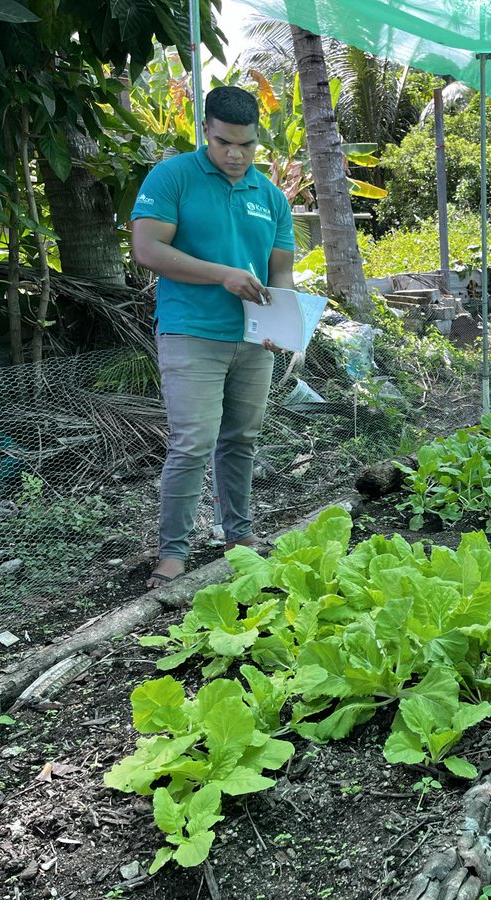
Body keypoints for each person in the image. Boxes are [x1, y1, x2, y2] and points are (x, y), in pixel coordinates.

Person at [131, 85, 295, 589]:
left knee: (241, 439)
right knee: (192, 443)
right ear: (206, 131)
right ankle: (173, 553)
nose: (236, 154)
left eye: (247, 145)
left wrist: (279, 325)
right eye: (225, 142)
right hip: (191, 333)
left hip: (252, 341)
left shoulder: (269, 195)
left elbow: (280, 273)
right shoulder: (172, 176)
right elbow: (148, 249)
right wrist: (221, 274)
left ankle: (238, 537)